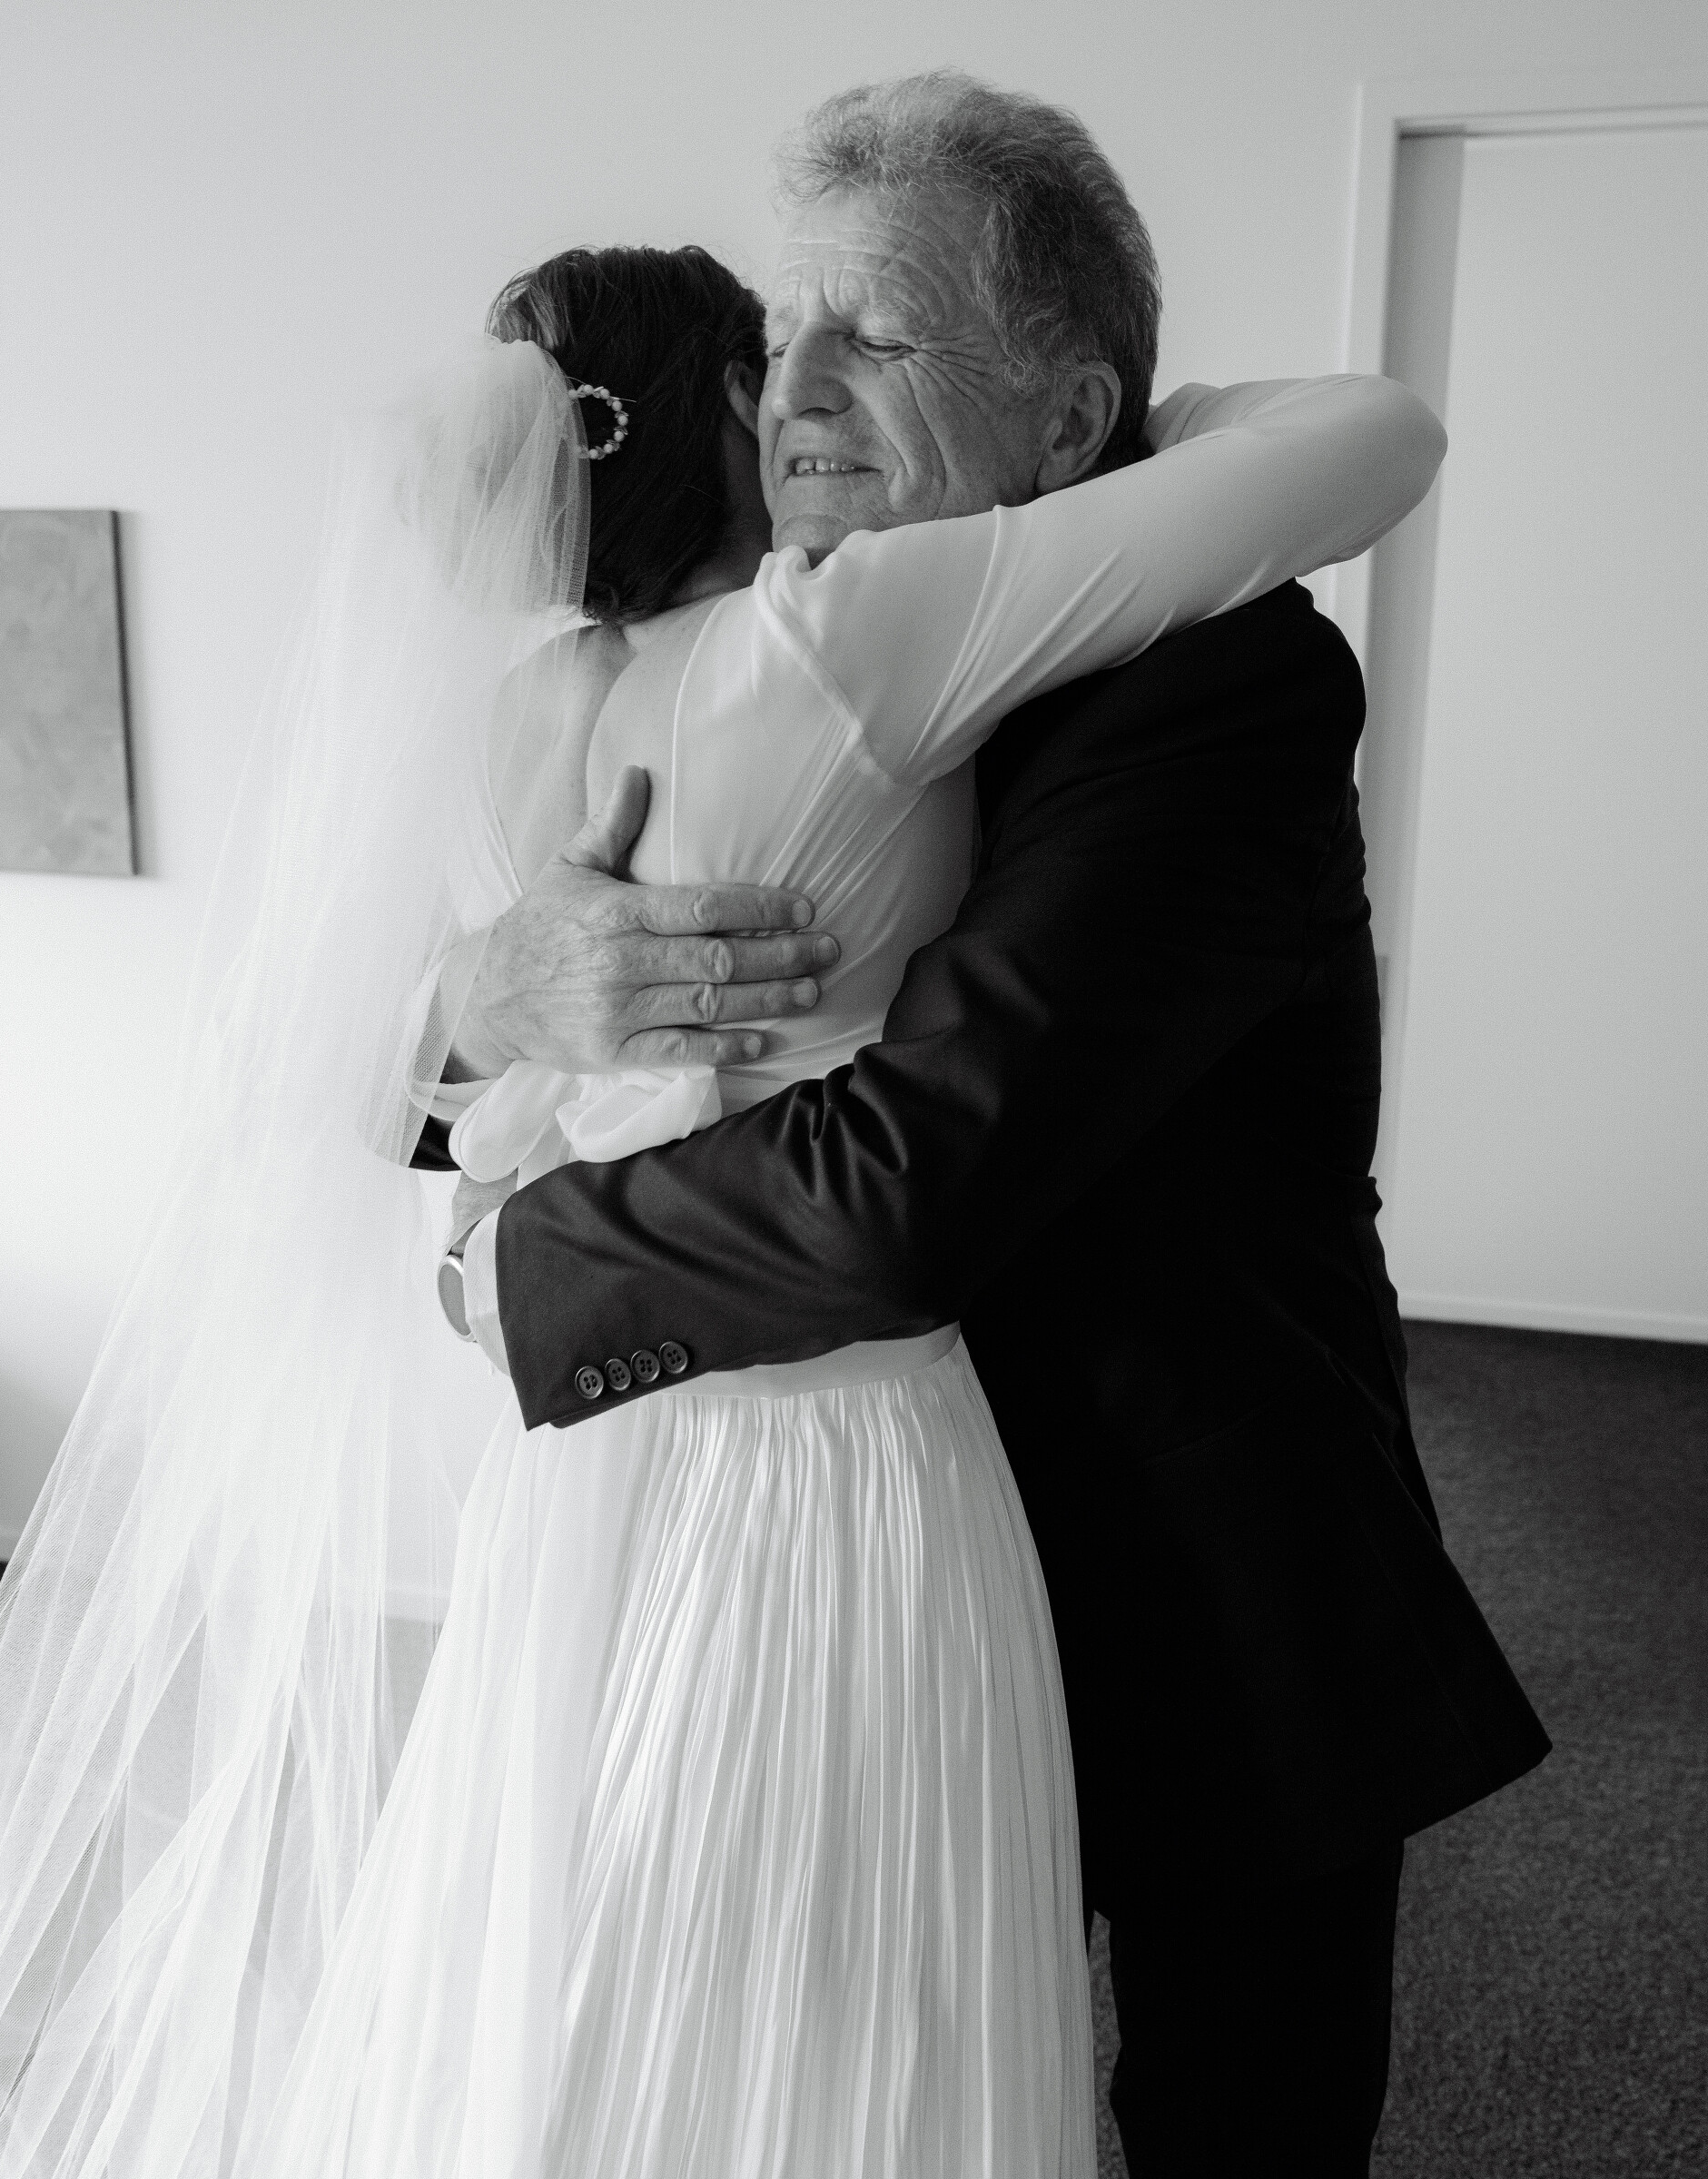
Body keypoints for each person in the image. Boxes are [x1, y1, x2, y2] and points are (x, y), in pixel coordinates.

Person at [445, 73, 1553, 2178]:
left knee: (1235, 2120)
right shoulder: (733, 662)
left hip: (1189, 1567)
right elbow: (463, 1053)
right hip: (868, 1571)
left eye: (879, 338)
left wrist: (506, 1270)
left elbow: (907, 1179)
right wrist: (494, 995)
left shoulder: (1220, 688)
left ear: (1069, 424)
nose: (795, 393)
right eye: (786, 333)